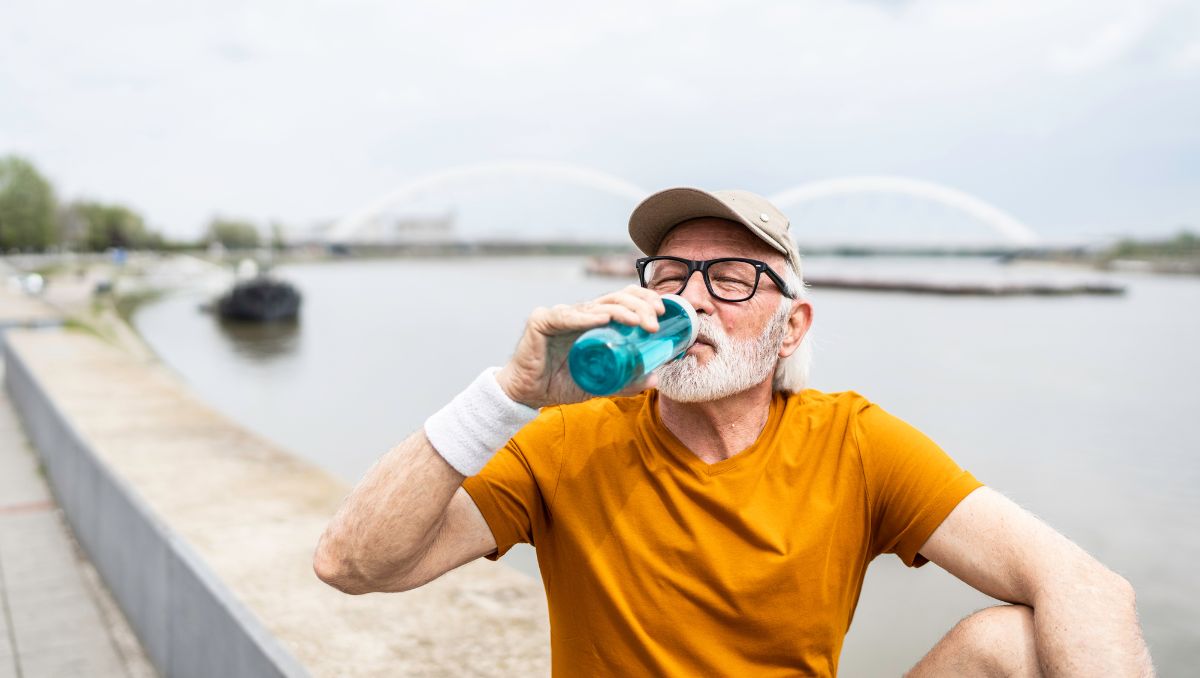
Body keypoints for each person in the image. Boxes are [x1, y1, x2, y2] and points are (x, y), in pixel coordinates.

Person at [314, 187, 1153, 676]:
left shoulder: (853, 442)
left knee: (1011, 645)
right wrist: (509, 394)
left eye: (732, 277)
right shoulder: (569, 440)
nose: (691, 297)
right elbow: (352, 565)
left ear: (791, 328)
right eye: (671, 273)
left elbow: (1087, 586)